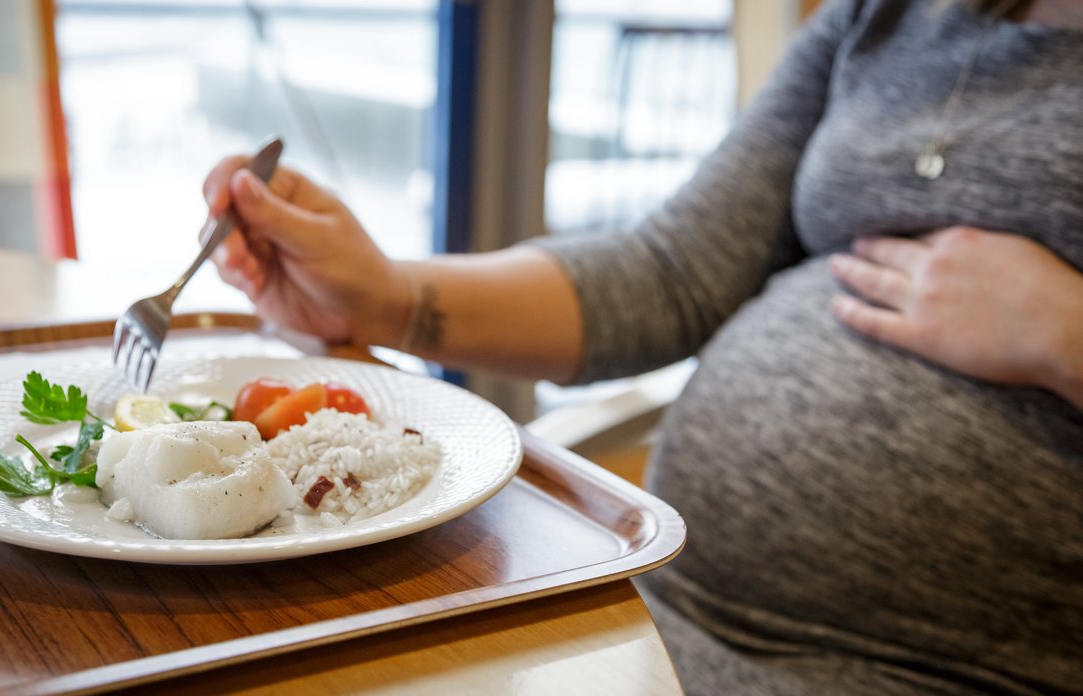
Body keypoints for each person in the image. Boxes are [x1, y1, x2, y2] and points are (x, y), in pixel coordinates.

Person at [202, 0, 1082, 692]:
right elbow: (674, 273)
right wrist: (381, 293)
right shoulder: (886, 17)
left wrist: (1063, 332)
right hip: (655, 596)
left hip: (920, 670)